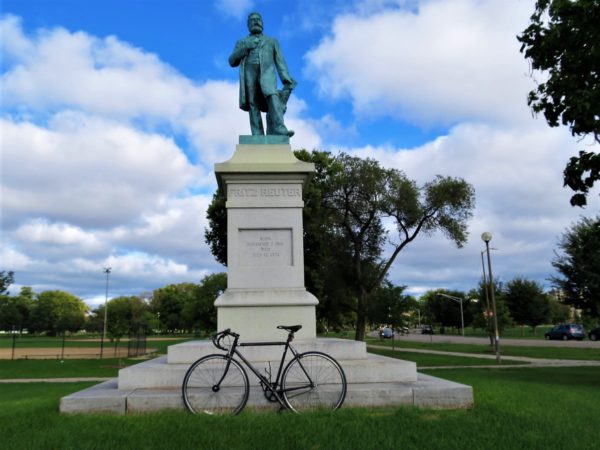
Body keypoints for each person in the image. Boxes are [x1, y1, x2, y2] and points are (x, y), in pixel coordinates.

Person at [229, 12, 296, 137]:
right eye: (253, 20)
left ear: (262, 24)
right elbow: (232, 61)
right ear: (248, 25)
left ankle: (279, 128)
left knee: (273, 96)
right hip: (249, 74)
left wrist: (286, 79)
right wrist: (245, 48)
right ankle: (257, 134)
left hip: (267, 75)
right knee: (253, 103)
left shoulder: (271, 41)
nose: (256, 22)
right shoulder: (242, 42)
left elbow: (280, 62)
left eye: (258, 20)